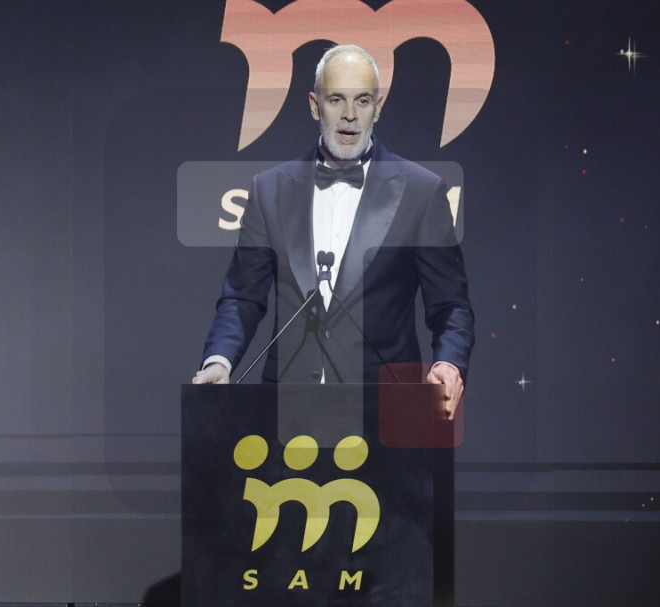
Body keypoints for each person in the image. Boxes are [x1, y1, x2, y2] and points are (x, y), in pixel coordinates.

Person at [192, 44, 473, 419]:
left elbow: (450, 305)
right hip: (287, 408)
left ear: (378, 107)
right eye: (336, 99)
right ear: (315, 105)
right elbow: (242, 297)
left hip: (384, 409)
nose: (350, 115)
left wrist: (449, 363)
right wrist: (220, 360)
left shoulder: (422, 191)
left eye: (363, 100)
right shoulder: (269, 189)